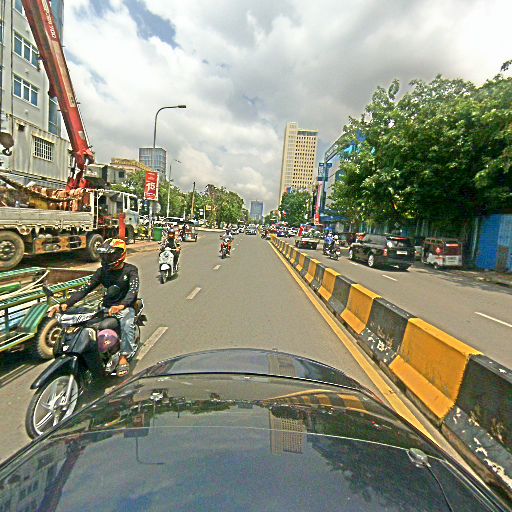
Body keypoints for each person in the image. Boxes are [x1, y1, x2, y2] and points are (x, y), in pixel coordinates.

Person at [48, 238, 139, 377]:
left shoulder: (130, 270)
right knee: (85, 325)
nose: (106, 259)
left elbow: (133, 291)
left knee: (126, 324)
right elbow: (85, 289)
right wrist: (66, 304)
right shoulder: (102, 272)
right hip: (105, 307)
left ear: (120, 255)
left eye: (110, 256)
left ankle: (123, 357)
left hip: (124, 307)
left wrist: (121, 305)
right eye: (104, 256)